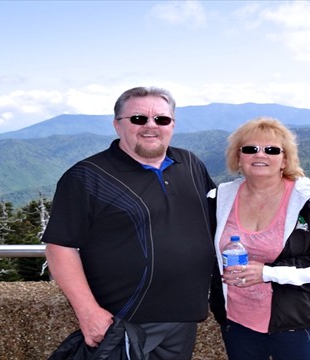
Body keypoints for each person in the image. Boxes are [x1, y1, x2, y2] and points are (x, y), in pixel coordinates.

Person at [43, 86, 217, 360]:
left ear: (172, 124)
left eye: (161, 119)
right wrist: (87, 311)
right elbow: (60, 247)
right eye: (138, 119)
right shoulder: (87, 177)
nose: (151, 126)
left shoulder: (190, 163)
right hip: (122, 321)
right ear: (117, 125)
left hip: (184, 317)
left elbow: (220, 216)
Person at [208, 117, 310, 360]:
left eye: (271, 150)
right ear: (238, 158)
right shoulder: (217, 200)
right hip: (236, 321)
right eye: (250, 149)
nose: (260, 155)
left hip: (293, 325)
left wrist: (269, 273)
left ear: (285, 160)